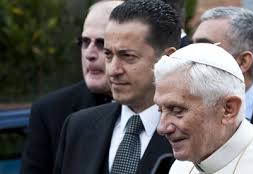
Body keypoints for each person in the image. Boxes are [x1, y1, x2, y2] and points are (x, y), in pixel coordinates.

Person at [53, 0, 181, 174]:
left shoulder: (192, 136)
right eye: (108, 55)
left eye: (127, 56)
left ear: (168, 58)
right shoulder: (77, 128)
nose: (113, 70)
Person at [153, 43, 253, 174]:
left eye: (177, 110)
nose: (162, 127)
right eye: (160, 110)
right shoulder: (180, 168)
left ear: (228, 109)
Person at [20, 1, 123, 174]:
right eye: (84, 42)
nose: (89, 54)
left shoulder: (161, 108)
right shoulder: (50, 112)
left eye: (101, 43)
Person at [192, 7, 253, 143]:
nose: (190, 57)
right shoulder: (182, 112)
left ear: (243, 61)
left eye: (205, 48)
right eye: (191, 47)